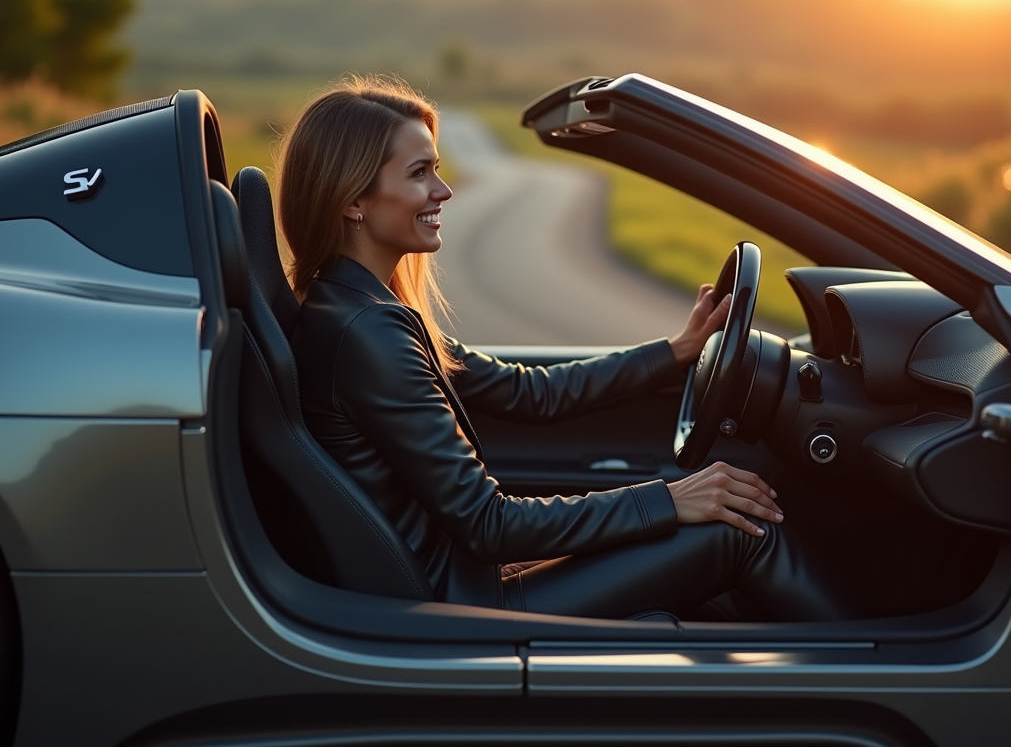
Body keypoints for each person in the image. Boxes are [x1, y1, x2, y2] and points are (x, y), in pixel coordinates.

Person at [280, 74, 847, 621]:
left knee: (722, 524)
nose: (444, 189)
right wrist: (669, 500)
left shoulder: (358, 308)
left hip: (462, 581)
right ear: (354, 200)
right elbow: (489, 524)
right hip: (466, 608)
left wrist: (679, 350)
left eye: (438, 168)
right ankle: (885, 678)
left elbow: (532, 393)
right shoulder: (369, 333)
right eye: (420, 172)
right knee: (742, 530)